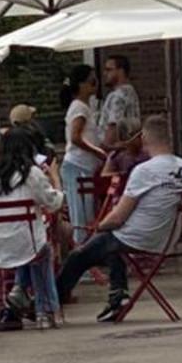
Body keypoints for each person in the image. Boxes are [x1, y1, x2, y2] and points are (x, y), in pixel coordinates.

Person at [55, 114, 182, 321]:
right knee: (110, 247)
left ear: (144, 139)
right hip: (163, 240)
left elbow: (118, 217)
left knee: (78, 256)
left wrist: (99, 226)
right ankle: (118, 296)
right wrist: (173, 226)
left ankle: (49, 303)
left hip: (134, 237)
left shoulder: (143, 171)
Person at [0, 125, 64, 330]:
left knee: (27, 243)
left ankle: (17, 292)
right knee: (40, 250)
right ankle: (46, 310)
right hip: (27, 243)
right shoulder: (32, 173)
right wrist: (55, 179)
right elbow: (52, 202)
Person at [60, 65, 106, 242]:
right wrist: (99, 152)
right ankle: (82, 252)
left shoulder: (85, 107)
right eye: (92, 81)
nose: (96, 84)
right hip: (78, 165)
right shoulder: (79, 107)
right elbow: (76, 137)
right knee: (81, 213)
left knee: (87, 211)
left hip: (85, 166)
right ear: (81, 85)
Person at [97, 53, 141, 155]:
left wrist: (105, 149)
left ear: (120, 71)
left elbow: (113, 124)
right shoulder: (131, 91)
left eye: (109, 70)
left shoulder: (117, 96)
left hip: (114, 152)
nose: (105, 74)